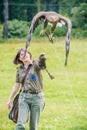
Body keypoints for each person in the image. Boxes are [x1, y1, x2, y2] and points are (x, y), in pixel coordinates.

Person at [7, 48, 47, 130]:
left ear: (29, 54)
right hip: (24, 98)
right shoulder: (19, 70)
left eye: (25, 53)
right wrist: (10, 99)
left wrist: (42, 59)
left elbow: (42, 66)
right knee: (20, 124)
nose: (24, 55)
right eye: (21, 54)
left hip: (37, 98)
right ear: (19, 58)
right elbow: (17, 85)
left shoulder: (35, 64)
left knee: (33, 126)